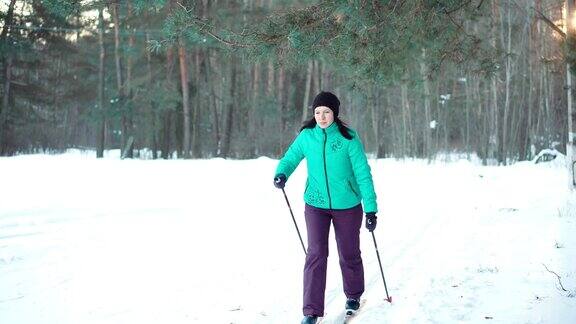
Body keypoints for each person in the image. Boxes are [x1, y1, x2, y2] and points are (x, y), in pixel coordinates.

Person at [273, 91, 378, 324]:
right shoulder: (307, 137)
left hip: (347, 205)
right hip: (316, 204)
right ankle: (310, 311)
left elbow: (363, 174)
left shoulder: (348, 138)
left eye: (326, 112)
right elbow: (290, 158)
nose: (321, 117)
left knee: (349, 253)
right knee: (316, 254)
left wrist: (370, 209)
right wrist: (281, 173)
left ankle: (353, 296)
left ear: (334, 113)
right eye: (318, 112)